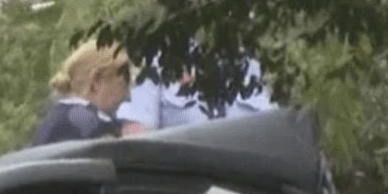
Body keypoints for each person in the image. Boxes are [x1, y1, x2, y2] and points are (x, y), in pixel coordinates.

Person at [117, 54, 275, 136]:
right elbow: (136, 136)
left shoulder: (249, 62)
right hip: (186, 183)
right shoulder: (156, 62)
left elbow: (272, 129)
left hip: (245, 180)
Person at [30, 40, 135, 145]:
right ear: (97, 81)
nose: (128, 97)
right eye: (124, 85)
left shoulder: (52, 120)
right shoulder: (95, 125)